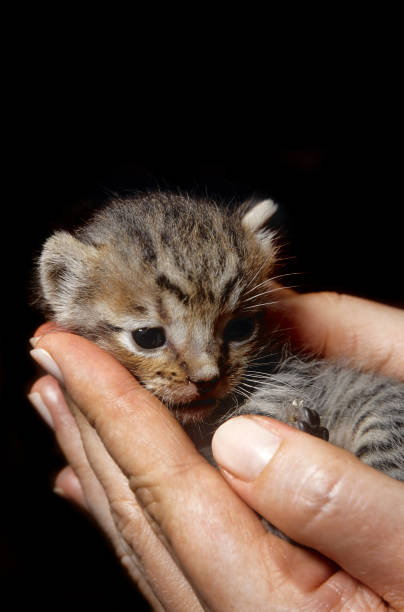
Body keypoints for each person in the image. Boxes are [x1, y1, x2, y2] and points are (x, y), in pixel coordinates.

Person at [28, 292, 404, 610]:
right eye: (148, 336)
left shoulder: (270, 374)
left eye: (238, 329)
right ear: (64, 288)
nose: (207, 371)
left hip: (356, 414)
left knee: (384, 411)